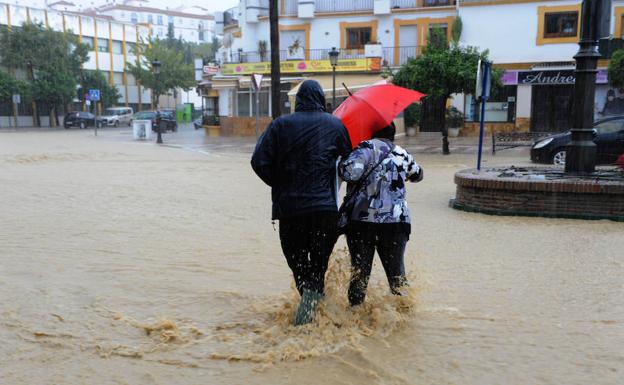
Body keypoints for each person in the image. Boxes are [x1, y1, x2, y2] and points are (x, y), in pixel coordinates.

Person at [251, 80, 352, 325]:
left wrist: (281, 184)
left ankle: (306, 322)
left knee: (299, 267)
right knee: (317, 268)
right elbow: (350, 164)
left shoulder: (279, 125)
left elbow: (258, 161)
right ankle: (315, 318)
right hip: (324, 212)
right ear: (320, 100)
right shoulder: (336, 125)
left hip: (290, 211)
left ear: (298, 101)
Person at [338, 123, 423, 306]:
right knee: (397, 276)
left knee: (359, 274)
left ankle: (355, 317)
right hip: (396, 223)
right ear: (392, 134)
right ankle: (405, 317)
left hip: (362, 223)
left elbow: (348, 173)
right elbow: (418, 174)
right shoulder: (402, 153)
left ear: (372, 132)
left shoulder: (364, 149)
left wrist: (345, 157)